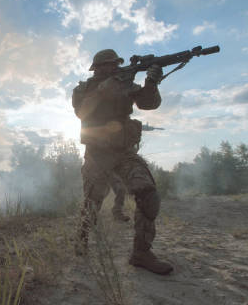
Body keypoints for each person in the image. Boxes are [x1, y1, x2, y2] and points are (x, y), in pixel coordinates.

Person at [72, 49, 173, 275]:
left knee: (148, 194)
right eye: (108, 65)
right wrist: (102, 91)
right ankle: (81, 240)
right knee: (92, 204)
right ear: (96, 68)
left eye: (116, 65)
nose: (114, 68)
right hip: (97, 154)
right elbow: (81, 112)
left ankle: (141, 253)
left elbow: (149, 104)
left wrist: (151, 82)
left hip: (124, 152)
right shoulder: (83, 89)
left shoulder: (125, 84)